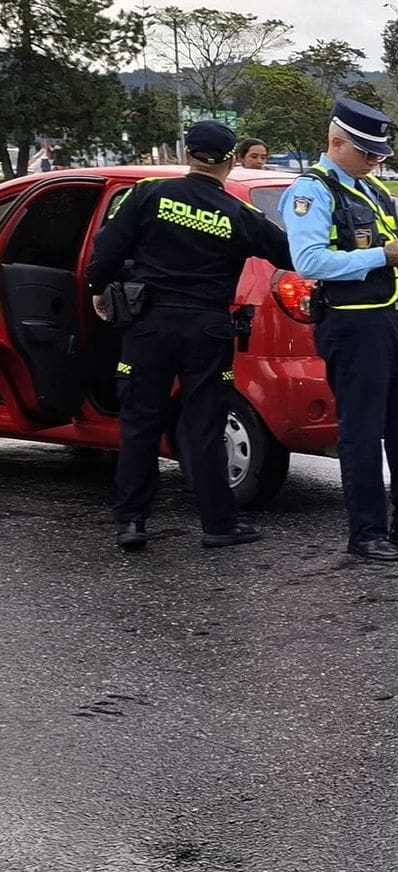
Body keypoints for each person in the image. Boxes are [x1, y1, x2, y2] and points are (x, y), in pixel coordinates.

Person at [86, 120, 293, 550]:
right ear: (231, 161)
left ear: (187, 155)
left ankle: (132, 522)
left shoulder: (148, 195)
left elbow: (105, 252)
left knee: (140, 423)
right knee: (205, 425)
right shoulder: (239, 213)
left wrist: (97, 292)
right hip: (207, 329)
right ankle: (219, 525)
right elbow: (290, 253)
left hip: (150, 327)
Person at [279, 98, 398, 562]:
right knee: (361, 432)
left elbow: (392, 244)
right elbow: (310, 260)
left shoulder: (372, 188)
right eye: (367, 152)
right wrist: (383, 256)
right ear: (336, 142)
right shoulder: (312, 191)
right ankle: (366, 533)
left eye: (379, 153)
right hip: (352, 324)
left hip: (393, 317)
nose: (376, 160)